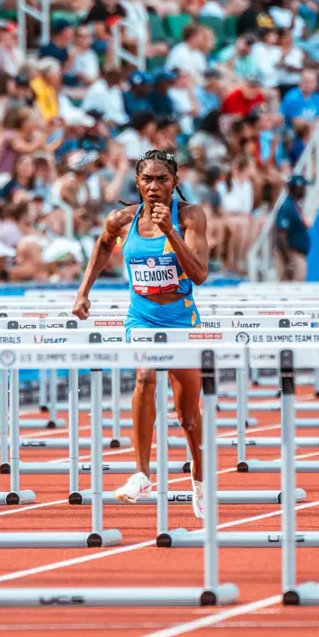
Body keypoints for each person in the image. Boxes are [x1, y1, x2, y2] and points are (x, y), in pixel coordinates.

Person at [73, 149, 209, 517]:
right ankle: (142, 473)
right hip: (141, 319)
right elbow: (103, 245)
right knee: (145, 377)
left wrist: (170, 232)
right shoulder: (121, 219)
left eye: (162, 179)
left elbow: (199, 274)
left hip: (181, 321)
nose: (153, 186)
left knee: (188, 417)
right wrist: (84, 292)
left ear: (174, 183)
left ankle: (199, 477)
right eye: (147, 179)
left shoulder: (190, 216)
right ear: (137, 182)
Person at [275, 173, 310, 281]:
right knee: (294, 289)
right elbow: (281, 235)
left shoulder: (295, 206)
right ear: (297, 188)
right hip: (292, 255)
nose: (305, 190)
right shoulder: (287, 207)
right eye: (303, 187)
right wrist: (289, 260)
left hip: (296, 256)